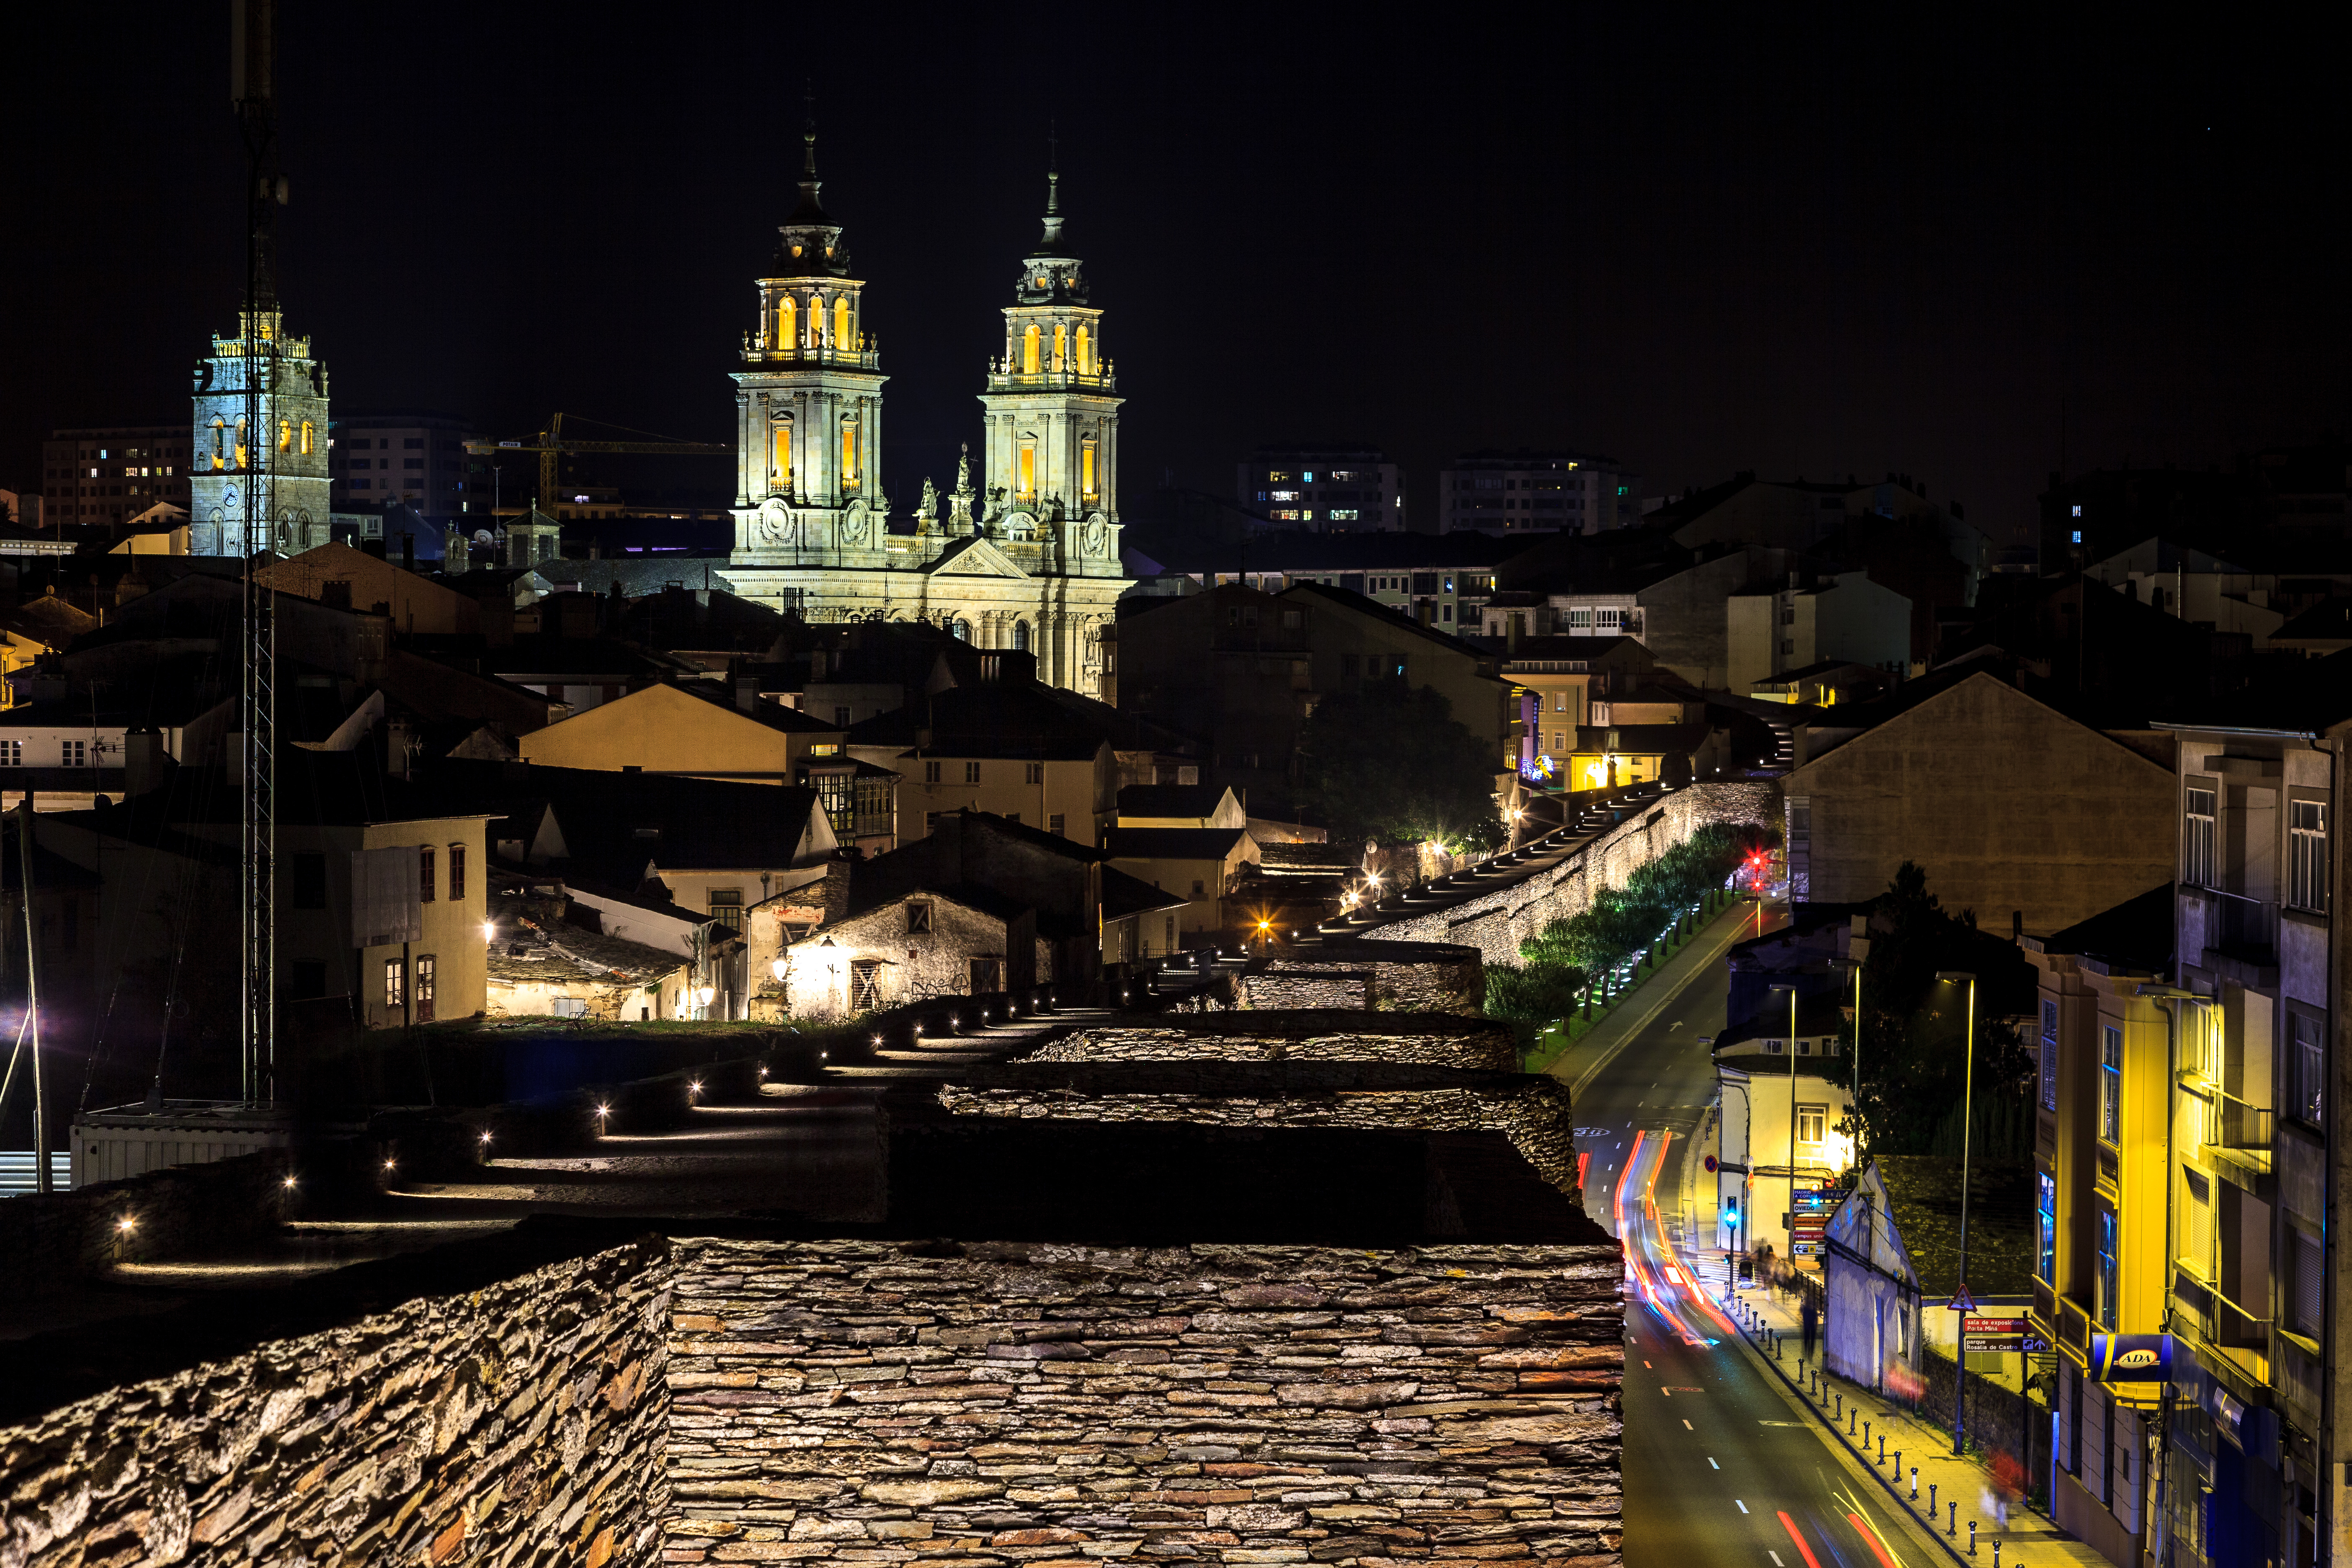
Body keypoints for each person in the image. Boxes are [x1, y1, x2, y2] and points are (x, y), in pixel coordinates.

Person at [1800, 1294, 1818, 1360]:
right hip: (1810, 1326)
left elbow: (1802, 1313)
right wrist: (1816, 1326)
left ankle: (1808, 1352)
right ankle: (1809, 1353)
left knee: (1807, 1339)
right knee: (1810, 1340)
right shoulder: (1812, 1309)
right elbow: (1816, 1318)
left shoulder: (1806, 1309)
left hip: (1808, 1326)